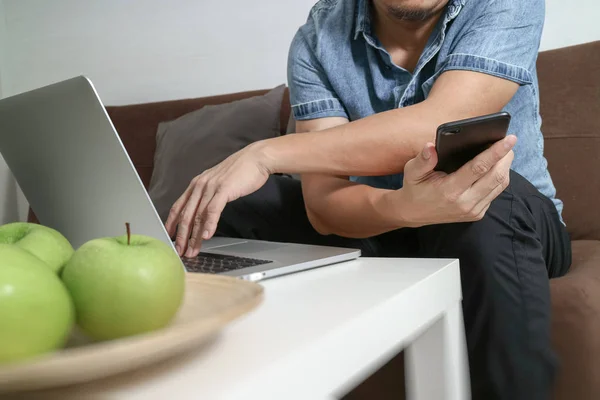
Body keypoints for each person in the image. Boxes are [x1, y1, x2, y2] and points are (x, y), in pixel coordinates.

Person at [165, 0, 571, 398]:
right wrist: (404, 209)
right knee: (233, 204)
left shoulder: (507, 4)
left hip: (507, 220)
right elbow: (323, 205)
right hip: (388, 223)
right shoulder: (319, 36)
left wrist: (265, 153)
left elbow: (439, 122)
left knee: (482, 193)